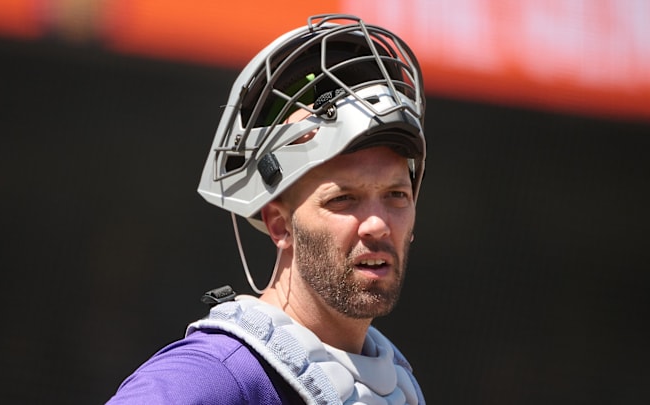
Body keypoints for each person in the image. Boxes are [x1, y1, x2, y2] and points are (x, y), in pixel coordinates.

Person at [107, 13, 427, 404]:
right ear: (279, 224)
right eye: (343, 199)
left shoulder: (393, 386)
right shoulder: (210, 377)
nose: (377, 224)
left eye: (396, 195)